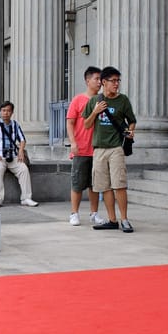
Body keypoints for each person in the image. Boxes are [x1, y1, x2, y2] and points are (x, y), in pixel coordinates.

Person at [84, 66, 137, 232]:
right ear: (103, 82)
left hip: (116, 148)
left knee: (119, 184)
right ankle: (112, 220)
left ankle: (125, 220)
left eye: (118, 80)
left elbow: (132, 121)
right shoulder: (94, 100)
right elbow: (86, 124)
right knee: (105, 186)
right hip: (99, 149)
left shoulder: (123, 100)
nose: (116, 84)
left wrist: (131, 131)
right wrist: (95, 112)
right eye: (113, 81)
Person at [0, 101, 38, 208]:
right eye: (3, 110)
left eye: (8, 111)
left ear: (12, 112)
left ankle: (26, 198)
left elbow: (22, 140)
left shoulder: (15, 125)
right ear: (0, 112)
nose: (6, 113)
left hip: (13, 157)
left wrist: (21, 151)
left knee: (24, 169)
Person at [66, 66, 104, 227]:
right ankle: (74, 213)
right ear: (88, 81)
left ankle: (94, 214)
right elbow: (70, 123)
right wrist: (73, 143)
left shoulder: (103, 100)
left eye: (101, 79)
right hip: (81, 149)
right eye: (96, 79)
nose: (99, 82)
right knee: (77, 183)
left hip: (98, 149)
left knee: (95, 184)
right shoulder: (78, 100)